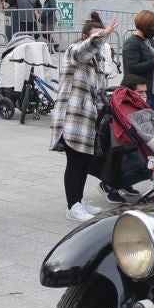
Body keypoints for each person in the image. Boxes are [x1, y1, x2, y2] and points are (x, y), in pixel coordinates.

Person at [50, 15, 120, 223]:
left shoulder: (97, 61)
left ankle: (79, 201)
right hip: (72, 115)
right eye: (97, 36)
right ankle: (72, 206)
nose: (101, 40)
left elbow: (99, 92)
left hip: (88, 118)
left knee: (83, 161)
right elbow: (83, 51)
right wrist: (101, 36)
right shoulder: (74, 51)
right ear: (84, 37)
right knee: (75, 161)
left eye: (103, 36)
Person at [123, 10, 154, 117]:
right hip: (141, 91)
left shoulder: (150, 41)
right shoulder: (131, 43)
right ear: (146, 26)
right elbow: (132, 67)